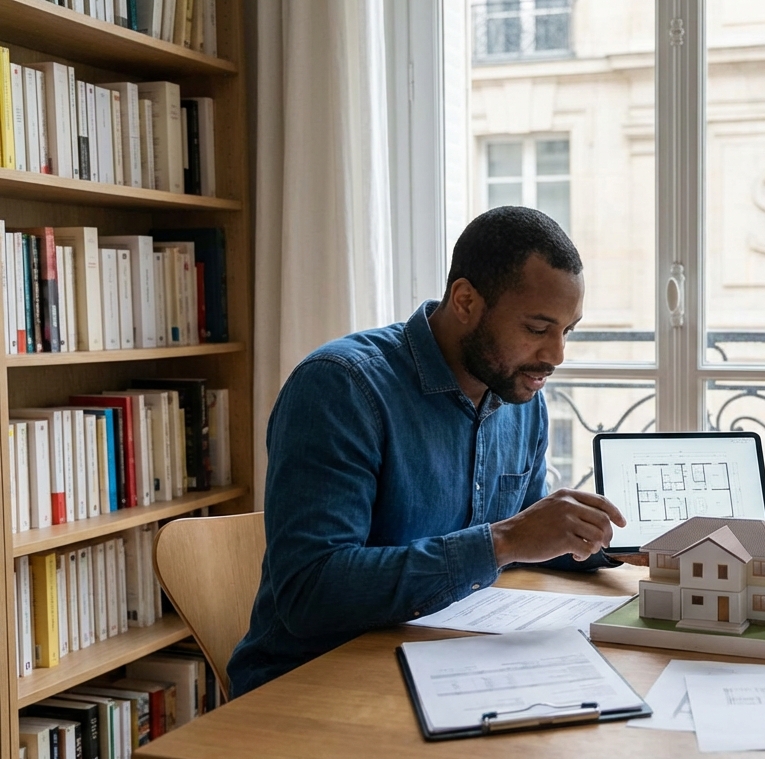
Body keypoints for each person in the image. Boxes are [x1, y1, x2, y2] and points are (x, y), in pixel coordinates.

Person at [228, 207, 628, 696]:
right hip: (316, 681)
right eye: (537, 328)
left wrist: (620, 542)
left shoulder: (520, 396)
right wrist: (503, 542)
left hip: (448, 662)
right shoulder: (341, 387)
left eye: (568, 331)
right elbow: (312, 592)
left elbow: (527, 534)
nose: (556, 355)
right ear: (465, 301)